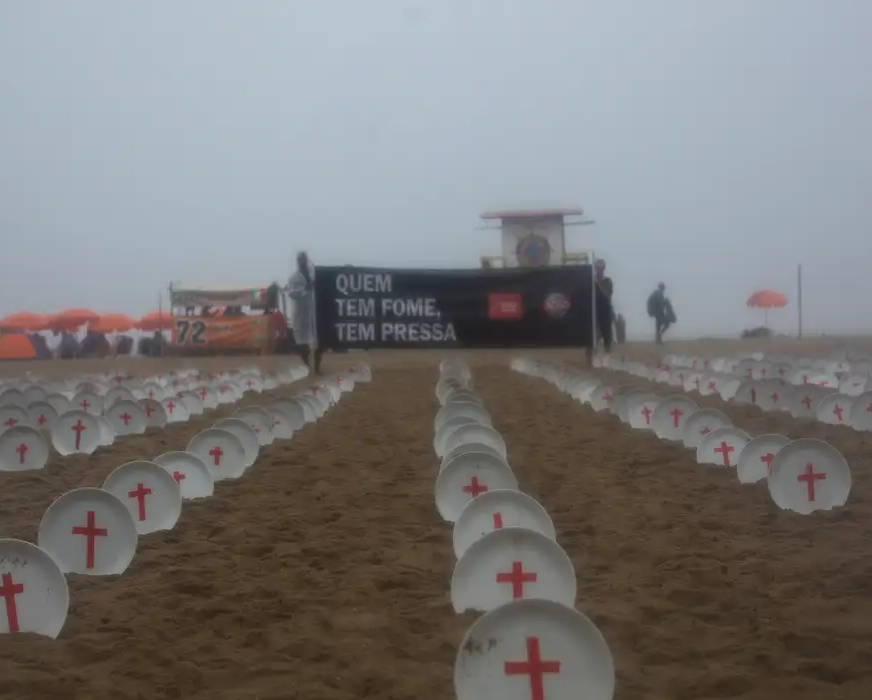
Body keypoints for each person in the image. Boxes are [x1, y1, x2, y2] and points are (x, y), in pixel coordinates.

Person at [287, 250, 322, 374]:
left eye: (303, 259)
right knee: (302, 342)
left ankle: (317, 368)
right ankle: (307, 365)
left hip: (314, 312)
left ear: (306, 260)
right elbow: (290, 293)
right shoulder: (293, 278)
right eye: (299, 259)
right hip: (301, 314)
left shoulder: (315, 275)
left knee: (319, 342)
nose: (301, 262)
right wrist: (304, 289)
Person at [586, 258, 614, 364]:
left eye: (601, 268)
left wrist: (598, 283)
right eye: (598, 268)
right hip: (593, 310)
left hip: (605, 310)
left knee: (607, 335)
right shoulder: (591, 281)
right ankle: (589, 359)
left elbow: (607, 294)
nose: (600, 270)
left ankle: (608, 359)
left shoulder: (607, 281)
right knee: (591, 336)